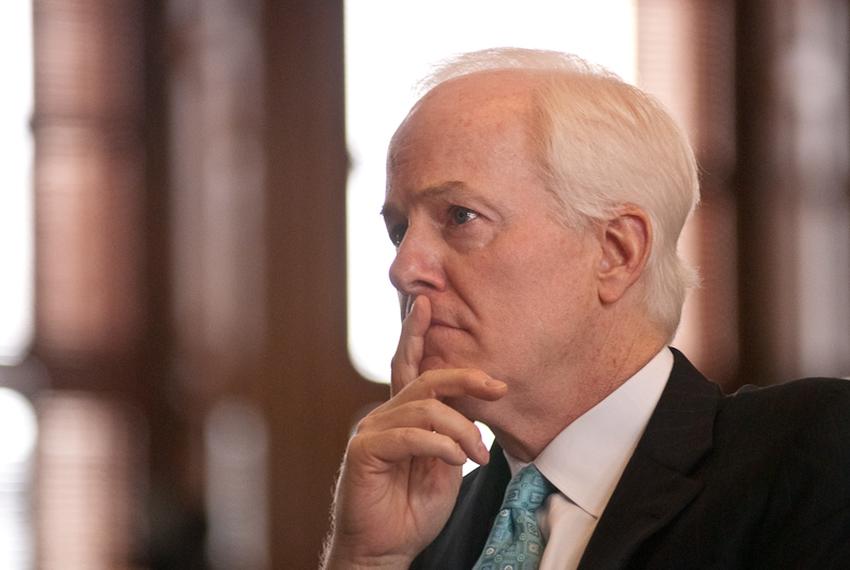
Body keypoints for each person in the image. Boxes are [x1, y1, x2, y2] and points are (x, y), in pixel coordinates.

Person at [321, 48, 850, 569]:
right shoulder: (422, 531)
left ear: (616, 252)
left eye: (460, 216)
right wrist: (369, 561)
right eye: (398, 231)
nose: (404, 268)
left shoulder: (816, 452)